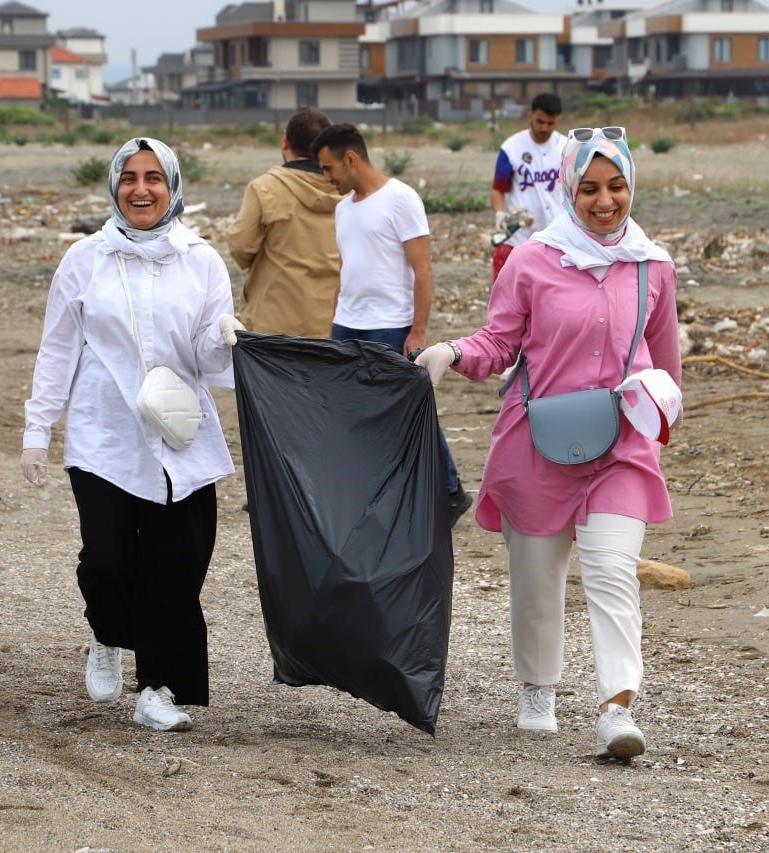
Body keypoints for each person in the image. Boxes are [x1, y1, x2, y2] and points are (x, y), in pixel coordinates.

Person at [417, 127, 680, 760]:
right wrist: (451, 353)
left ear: (631, 187)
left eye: (616, 187)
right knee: (536, 578)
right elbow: (500, 342)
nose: (604, 201)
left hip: (620, 444)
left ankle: (617, 709)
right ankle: (538, 686)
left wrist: (660, 422)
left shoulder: (654, 266)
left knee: (613, 571)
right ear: (568, 189)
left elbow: (667, 364)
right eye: (588, 188)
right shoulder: (533, 259)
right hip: (536, 440)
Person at [20, 137, 243, 732]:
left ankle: (159, 688)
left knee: (177, 564)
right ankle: (106, 630)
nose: (140, 189)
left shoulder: (201, 260)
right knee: (108, 563)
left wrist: (222, 336)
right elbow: (58, 348)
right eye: (129, 177)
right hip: (105, 435)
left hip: (180, 434)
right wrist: (38, 429)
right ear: (114, 185)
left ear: (173, 189)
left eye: (154, 179)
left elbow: (209, 366)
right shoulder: (85, 259)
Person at [311, 123, 473, 526]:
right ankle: (374, 490)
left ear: (351, 158)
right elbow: (347, 268)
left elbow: (423, 270)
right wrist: (334, 319)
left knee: (407, 410)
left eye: (329, 169)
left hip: (390, 326)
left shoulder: (401, 199)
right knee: (351, 412)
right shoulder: (342, 208)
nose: (326, 179)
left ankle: (450, 490)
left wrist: (417, 331)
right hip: (347, 324)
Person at [225, 106, 340, 338]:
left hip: (273, 324)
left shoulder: (265, 188)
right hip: (333, 323)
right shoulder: (347, 191)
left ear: (285, 142)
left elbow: (241, 248)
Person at [490, 93, 565, 282]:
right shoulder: (511, 148)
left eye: (550, 123)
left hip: (558, 237)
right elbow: (498, 189)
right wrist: (500, 213)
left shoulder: (566, 147)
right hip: (519, 237)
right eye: (540, 121)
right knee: (508, 295)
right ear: (530, 115)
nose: (544, 128)